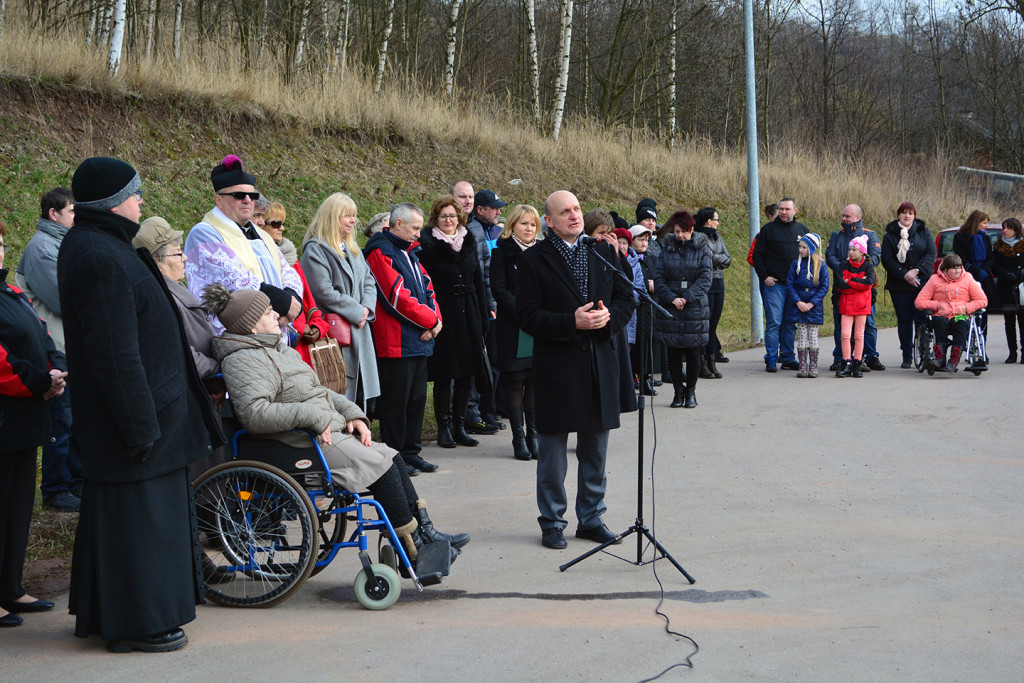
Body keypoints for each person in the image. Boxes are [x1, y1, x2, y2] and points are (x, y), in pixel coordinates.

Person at [58, 157, 223, 653]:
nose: (140, 200)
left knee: (138, 524)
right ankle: (137, 625)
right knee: (138, 529)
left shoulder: (102, 245)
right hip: (138, 422)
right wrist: (139, 426)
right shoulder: (98, 254)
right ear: (112, 201)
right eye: (134, 193)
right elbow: (114, 353)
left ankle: (125, 615)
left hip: (151, 413)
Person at [203, 284, 466, 573]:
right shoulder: (243, 359)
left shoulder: (279, 350)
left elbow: (320, 392)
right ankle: (412, 549)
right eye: (268, 312)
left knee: (393, 457)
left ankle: (425, 535)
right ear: (252, 326)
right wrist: (313, 417)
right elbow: (255, 414)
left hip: (323, 430)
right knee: (382, 466)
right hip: (296, 441)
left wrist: (353, 414)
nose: (277, 314)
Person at [516, 191, 633, 550]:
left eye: (577, 209)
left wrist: (608, 319)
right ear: (548, 221)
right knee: (552, 452)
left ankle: (592, 517)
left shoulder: (604, 251)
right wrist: (572, 322)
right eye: (564, 211)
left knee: (595, 449)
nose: (574, 215)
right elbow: (527, 315)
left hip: (600, 362)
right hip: (557, 366)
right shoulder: (535, 259)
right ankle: (552, 522)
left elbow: (628, 297)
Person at [0, 219, 65, 627]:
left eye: (2, 242)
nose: (0, 249)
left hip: (24, 420)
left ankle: (10, 586)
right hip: (7, 415)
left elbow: (41, 333)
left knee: (18, 508)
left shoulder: (9, 290)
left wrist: (55, 367)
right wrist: (41, 380)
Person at [132, 217, 225, 478]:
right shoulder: (162, 297)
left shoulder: (171, 289)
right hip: (192, 396)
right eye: (178, 252)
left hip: (201, 393)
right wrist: (217, 371)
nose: (184, 258)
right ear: (157, 260)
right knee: (200, 484)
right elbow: (179, 351)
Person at [14, 187, 83, 512]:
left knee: (75, 420)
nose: (76, 217)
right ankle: (56, 489)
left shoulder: (61, 243)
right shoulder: (42, 248)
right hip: (54, 348)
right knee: (62, 421)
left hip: (67, 344)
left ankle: (75, 483)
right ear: (53, 214)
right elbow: (64, 298)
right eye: (71, 211)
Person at [364, 203, 442, 477]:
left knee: (417, 399)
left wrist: (435, 322)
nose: (418, 235)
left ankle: (411, 452)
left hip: (419, 339)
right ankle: (394, 457)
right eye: (415, 228)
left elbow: (428, 288)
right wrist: (430, 321)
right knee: (396, 403)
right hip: (395, 342)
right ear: (398, 224)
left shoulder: (410, 252)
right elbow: (395, 296)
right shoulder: (380, 250)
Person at [184, 154, 303, 334]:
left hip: (276, 327)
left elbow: (287, 271)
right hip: (239, 335)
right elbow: (233, 278)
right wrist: (282, 302)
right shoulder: (205, 233)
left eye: (252, 195)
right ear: (219, 200)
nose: (248, 200)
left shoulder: (263, 236)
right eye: (239, 195)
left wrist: (292, 299)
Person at [416, 196, 490, 454]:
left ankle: (460, 425)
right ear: (435, 219)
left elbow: (479, 281)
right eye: (443, 216)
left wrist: (482, 318)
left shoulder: (468, 241)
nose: (448, 221)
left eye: (453, 216)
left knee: (467, 371)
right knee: (445, 372)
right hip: (445, 310)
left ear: (460, 218)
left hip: (469, 309)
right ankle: (444, 427)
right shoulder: (427, 245)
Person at [301, 193, 381, 409]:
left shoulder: (352, 248)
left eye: (354, 215)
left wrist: (366, 308)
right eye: (348, 215)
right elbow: (323, 292)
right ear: (332, 217)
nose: (353, 221)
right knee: (340, 392)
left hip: (359, 328)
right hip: (336, 335)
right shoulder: (315, 249)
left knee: (360, 394)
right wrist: (358, 311)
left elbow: (368, 281)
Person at [490, 204, 541, 461]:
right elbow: (499, 289)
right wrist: (524, 312)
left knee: (533, 379)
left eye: (532, 224)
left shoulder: (543, 253)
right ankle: (518, 438)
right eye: (524, 224)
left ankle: (534, 435)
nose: (529, 229)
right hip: (513, 325)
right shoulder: (502, 253)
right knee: (516, 379)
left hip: (538, 326)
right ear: (512, 226)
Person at [653, 210, 713, 408]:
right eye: (677, 231)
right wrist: (672, 298)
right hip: (671, 306)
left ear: (692, 229)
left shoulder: (703, 248)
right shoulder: (666, 248)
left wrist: (686, 298)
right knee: (674, 351)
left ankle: (691, 392)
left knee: (694, 350)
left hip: (694, 307)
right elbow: (659, 277)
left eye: (684, 231)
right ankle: (678, 392)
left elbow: (705, 279)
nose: (680, 235)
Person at [584, 211, 638, 411]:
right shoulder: (585, 252)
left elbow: (626, 282)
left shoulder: (610, 252)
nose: (603, 239)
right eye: (599, 234)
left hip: (611, 321)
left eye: (608, 234)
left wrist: (617, 255)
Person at [825, 204, 885, 373]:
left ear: (858, 217)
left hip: (864, 293)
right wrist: (843, 269)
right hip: (841, 287)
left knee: (868, 325)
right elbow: (830, 257)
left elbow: (874, 259)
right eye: (843, 215)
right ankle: (841, 358)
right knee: (841, 326)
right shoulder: (837, 235)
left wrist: (852, 273)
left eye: (847, 216)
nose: (843, 219)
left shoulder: (870, 235)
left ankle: (870, 356)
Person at [752, 198, 806, 372]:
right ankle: (771, 358)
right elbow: (757, 256)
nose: (784, 212)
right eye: (781, 209)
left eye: (787, 209)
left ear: (795, 210)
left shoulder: (802, 231)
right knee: (774, 322)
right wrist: (765, 276)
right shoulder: (768, 230)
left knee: (790, 323)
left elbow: (810, 256)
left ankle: (788, 358)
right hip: (774, 285)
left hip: (794, 286)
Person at [880, 202, 935, 368]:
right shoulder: (890, 235)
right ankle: (906, 355)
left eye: (910, 213)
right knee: (904, 320)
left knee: (922, 320)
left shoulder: (923, 232)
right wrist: (904, 274)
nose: (907, 216)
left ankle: (923, 352)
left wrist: (916, 271)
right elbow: (887, 259)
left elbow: (931, 253)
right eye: (904, 213)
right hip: (899, 285)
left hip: (921, 282)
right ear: (898, 215)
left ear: (914, 215)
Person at [915, 253, 988, 373]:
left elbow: (982, 300)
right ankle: (939, 359)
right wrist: (938, 305)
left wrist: (965, 308)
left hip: (960, 314)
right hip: (941, 314)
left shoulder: (968, 278)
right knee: (939, 323)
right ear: (945, 269)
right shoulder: (934, 280)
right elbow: (919, 302)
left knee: (961, 324)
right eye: (954, 268)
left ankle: (953, 361)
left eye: (959, 267)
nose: (957, 271)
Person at [953, 210, 995, 364]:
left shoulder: (986, 239)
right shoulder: (960, 237)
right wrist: (975, 270)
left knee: (982, 315)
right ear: (976, 222)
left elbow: (990, 257)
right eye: (984, 223)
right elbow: (961, 258)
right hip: (966, 279)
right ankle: (963, 344)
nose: (986, 226)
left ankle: (981, 347)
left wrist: (984, 271)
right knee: (964, 313)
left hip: (983, 280)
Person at [784, 233, 829, 378]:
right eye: (799, 247)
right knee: (802, 335)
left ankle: (813, 366)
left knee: (813, 335)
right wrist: (798, 301)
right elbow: (790, 284)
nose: (800, 250)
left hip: (813, 307)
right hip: (799, 305)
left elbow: (824, 286)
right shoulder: (795, 264)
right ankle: (803, 366)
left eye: (804, 247)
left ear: (811, 248)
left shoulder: (821, 265)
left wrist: (811, 303)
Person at [694, 206, 732, 376]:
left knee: (713, 325)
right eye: (716, 219)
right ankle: (701, 363)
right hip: (706, 283)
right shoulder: (698, 237)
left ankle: (711, 360)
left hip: (719, 282)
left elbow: (728, 258)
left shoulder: (717, 237)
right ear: (709, 221)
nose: (718, 223)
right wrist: (717, 260)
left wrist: (714, 259)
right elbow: (704, 257)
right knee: (705, 324)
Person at [833, 235, 875, 378]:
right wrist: (858, 284)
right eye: (849, 249)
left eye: (854, 249)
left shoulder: (868, 266)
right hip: (846, 306)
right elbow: (840, 286)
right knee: (845, 334)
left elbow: (868, 283)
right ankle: (847, 362)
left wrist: (849, 280)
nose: (850, 252)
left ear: (862, 251)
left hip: (861, 307)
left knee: (859, 335)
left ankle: (857, 363)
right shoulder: (842, 266)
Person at [991, 218, 1024, 363]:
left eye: (1008, 228)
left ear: (1015, 229)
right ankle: (1012, 352)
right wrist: (1005, 274)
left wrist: (1019, 274)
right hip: (1006, 287)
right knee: (1009, 321)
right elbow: (994, 266)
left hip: (1022, 287)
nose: (1004, 231)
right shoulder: (998, 247)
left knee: (1023, 321)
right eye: (1003, 228)